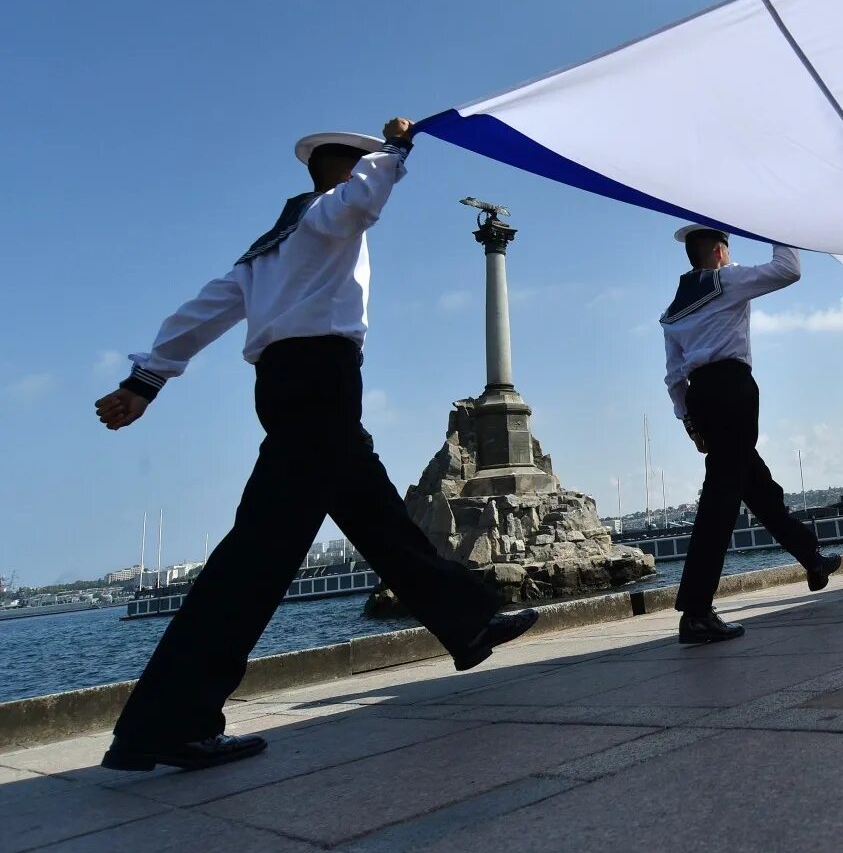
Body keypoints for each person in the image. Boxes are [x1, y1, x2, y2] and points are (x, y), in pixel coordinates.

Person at [94, 120, 537, 773]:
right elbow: (363, 198)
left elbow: (202, 310)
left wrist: (145, 378)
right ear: (345, 169)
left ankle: (465, 620)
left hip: (285, 384)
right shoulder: (335, 214)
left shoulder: (267, 247)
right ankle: (167, 724)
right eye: (360, 166)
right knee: (259, 552)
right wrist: (398, 149)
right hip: (322, 378)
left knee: (377, 514)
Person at [661, 226, 840, 644]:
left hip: (701, 397)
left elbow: (673, 377)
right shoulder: (727, 280)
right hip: (733, 389)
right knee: (722, 496)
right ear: (721, 251)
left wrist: (689, 421)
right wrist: (780, 225)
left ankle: (811, 557)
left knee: (755, 485)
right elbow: (788, 269)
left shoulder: (672, 310)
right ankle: (697, 611)